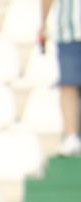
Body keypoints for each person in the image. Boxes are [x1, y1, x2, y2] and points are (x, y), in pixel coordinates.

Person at [46, 0, 81, 156]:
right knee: (68, 84)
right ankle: (71, 136)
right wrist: (43, 21)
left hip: (68, 33)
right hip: (69, 31)